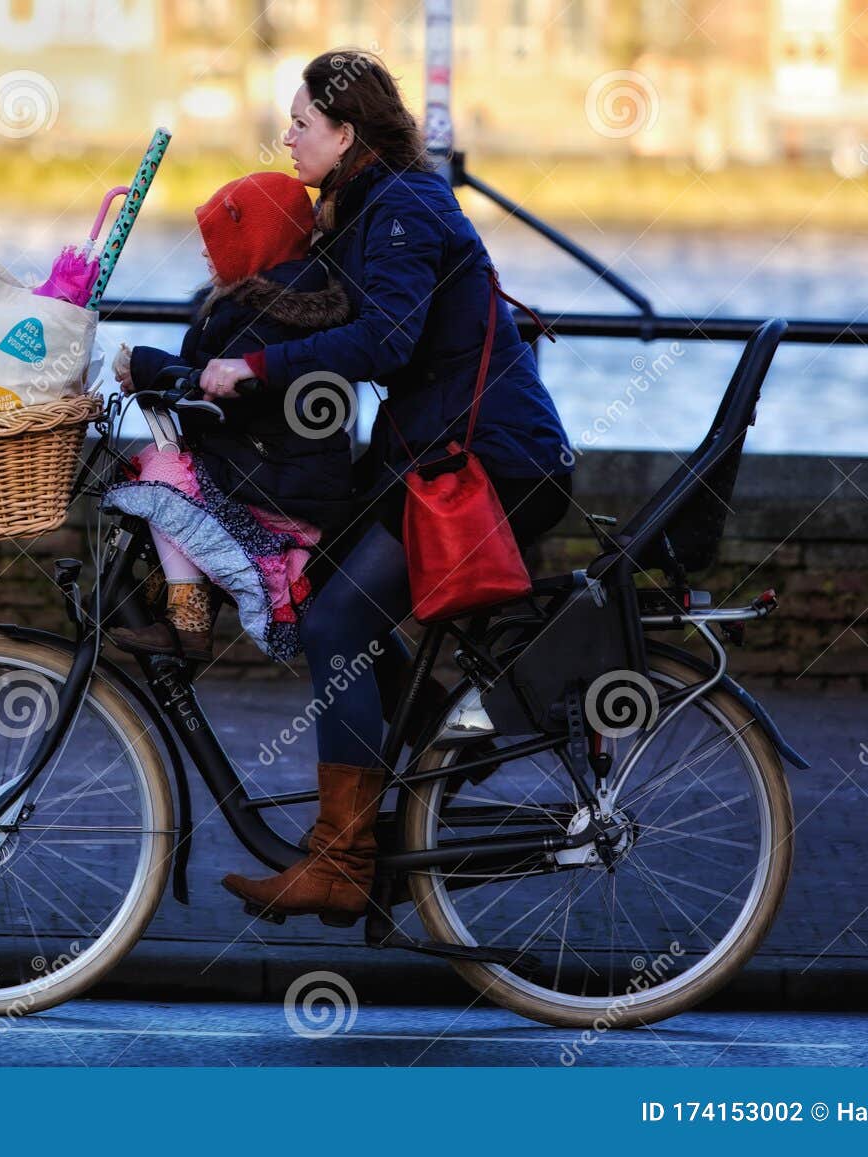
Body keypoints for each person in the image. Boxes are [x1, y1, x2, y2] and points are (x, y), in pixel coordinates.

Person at [215, 50, 575, 926]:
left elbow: (384, 342)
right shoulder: (370, 204)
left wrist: (253, 365)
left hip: (493, 465)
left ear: (346, 133)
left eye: (301, 123)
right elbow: (320, 312)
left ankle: (342, 862)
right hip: (444, 457)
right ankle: (442, 752)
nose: (288, 137)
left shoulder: (406, 204)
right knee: (325, 586)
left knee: (339, 618)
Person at [102, 171, 357, 663]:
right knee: (168, 465)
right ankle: (180, 595)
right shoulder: (280, 299)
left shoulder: (278, 310)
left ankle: (188, 620)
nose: (204, 253)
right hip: (276, 472)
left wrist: (146, 368)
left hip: (278, 486)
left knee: (163, 472)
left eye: (215, 241)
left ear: (253, 240)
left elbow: (223, 395)